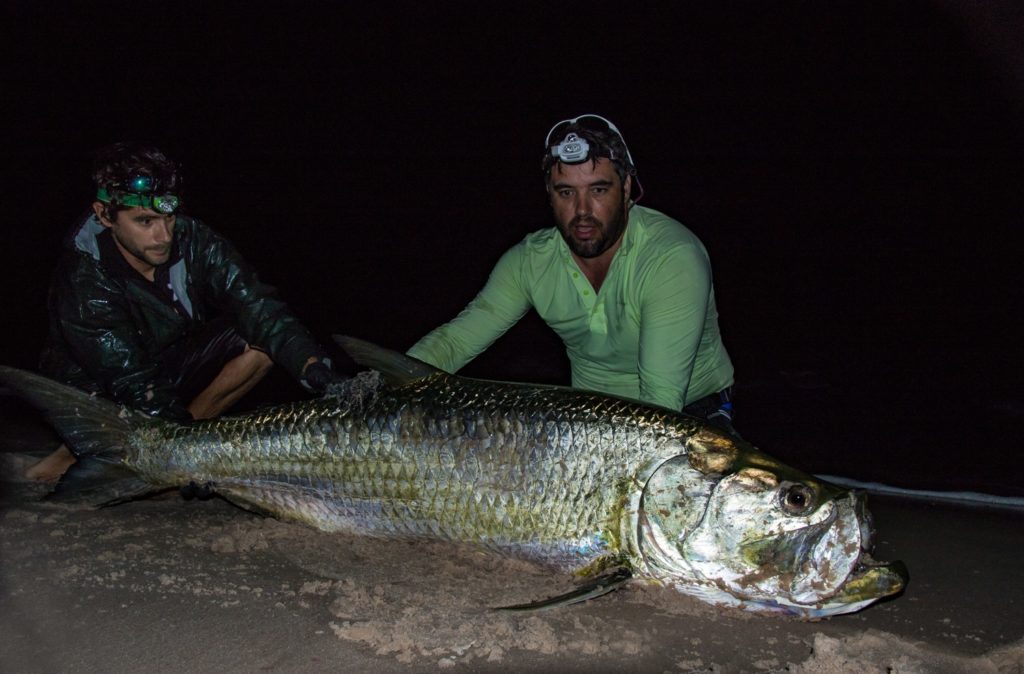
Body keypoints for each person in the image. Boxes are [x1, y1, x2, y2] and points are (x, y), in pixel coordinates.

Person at [25, 142, 344, 481]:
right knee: (142, 432)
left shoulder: (194, 239)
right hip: (97, 387)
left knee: (258, 341)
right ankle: (85, 450)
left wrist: (312, 365)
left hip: (161, 366)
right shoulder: (83, 278)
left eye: (169, 217)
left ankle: (170, 445)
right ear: (105, 216)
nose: (163, 235)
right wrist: (187, 458)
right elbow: (130, 379)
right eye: (145, 221)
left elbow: (257, 305)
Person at [407, 114, 737, 432]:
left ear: (625, 188)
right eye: (566, 192)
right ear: (549, 195)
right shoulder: (529, 261)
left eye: (598, 190)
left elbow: (660, 403)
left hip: (687, 415)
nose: (582, 211)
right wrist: (378, 389)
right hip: (586, 419)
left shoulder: (671, 258)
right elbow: (453, 343)